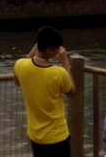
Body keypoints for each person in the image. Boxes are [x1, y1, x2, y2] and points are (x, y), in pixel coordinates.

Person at [13, 26, 75, 157]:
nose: (59, 51)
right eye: (56, 48)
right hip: (58, 137)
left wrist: (33, 52)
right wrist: (65, 63)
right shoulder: (58, 73)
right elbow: (71, 92)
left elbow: (17, 81)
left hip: (36, 137)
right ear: (48, 49)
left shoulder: (20, 65)